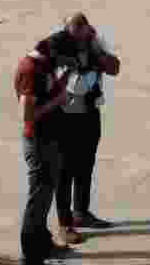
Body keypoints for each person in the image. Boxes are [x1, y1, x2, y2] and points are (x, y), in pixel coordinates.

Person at [51, 13, 120, 236]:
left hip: (89, 113)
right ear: (68, 31)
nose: (81, 38)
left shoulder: (93, 44)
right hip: (65, 116)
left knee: (85, 164)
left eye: (84, 32)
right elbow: (69, 83)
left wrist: (97, 51)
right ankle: (64, 223)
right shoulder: (58, 46)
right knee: (65, 170)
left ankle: (81, 212)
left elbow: (114, 68)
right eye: (76, 34)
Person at [16, 36, 71, 262]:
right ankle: (31, 254)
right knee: (38, 199)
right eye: (61, 61)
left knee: (45, 197)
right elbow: (26, 116)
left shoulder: (44, 65)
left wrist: (64, 80)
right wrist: (56, 102)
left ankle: (43, 243)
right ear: (53, 54)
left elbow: (51, 91)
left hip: (50, 140)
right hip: (38, 142)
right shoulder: (31, 70)